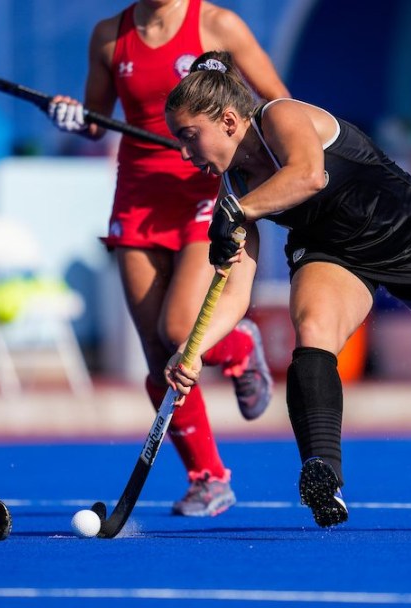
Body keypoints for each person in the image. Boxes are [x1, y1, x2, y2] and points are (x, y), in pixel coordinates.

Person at [163, 51, 411, 528]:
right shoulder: (233, 191)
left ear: (231, 121)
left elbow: (308, 175)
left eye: (189, 136)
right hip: (331, 252)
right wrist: (193, 351)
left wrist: (237, 213)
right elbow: (236, 295)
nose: (184, 152)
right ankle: (324, 475)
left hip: (404, 232)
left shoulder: (281, 116)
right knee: (314, 329)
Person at [46, 0, 289, 517]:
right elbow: (96, 121)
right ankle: (208, 477)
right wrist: (72, 116)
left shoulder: (216, 24)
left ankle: (237, 344)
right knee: (157, 355)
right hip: (138, 198)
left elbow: (277, 103)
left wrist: (256, 172)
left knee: (181, 330)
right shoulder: (109, 36)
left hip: (208, 190)